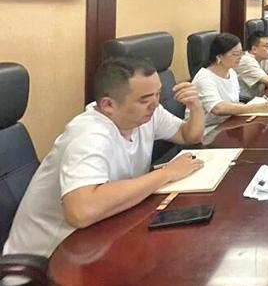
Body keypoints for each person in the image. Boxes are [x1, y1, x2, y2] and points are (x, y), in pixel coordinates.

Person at [3, 57, 206, 257]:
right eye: (144, 99)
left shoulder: (147, 114)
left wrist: (195, 107)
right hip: (48, 256)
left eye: (158, 94)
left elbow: (188, 135)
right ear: (108, 105)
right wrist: (166, 174)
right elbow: (81, 211)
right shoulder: (89, 135)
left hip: (99, 235)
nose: (155, 104)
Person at [189, 33, 268, 132]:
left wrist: (252, 109)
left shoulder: (231, 72)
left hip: (226, 125)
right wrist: (255, 108)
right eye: (235, 54)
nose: (240, 57)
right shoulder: (205, 78)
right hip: (204, 130)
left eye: (241, 53)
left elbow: (234, 102)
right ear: (219, 57)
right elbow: (218, 108)